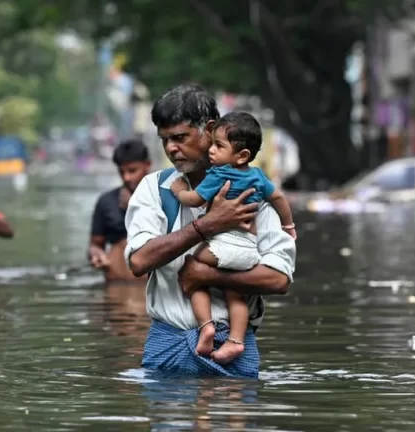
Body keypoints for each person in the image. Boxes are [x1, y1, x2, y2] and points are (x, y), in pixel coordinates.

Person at [124, 84, 296, 378]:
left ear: (210, 129)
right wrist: (207, 226)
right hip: (167, 348)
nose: (171, 149)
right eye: (164, 140)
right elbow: (139, 261)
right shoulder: (155, 188)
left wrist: (208, 275)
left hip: (234, 349)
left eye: (180, 137)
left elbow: (279, 278)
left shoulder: (254, 191)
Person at [169, 111, 297, 364]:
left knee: (192, 271)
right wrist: (289, 225)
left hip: (223, 245)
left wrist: (179, 190)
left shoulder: (218, 175)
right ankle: (236, 341)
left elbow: (195, 200)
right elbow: (280, 198)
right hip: (249, 250)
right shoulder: (259, 177)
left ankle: (206, 326)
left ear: (242, 155)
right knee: (235, 290)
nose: (212, 151)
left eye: (219, 146)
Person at [89, 139, 151, 281]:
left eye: (132, 171)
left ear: (147, 165)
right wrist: (96, 254)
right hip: (117, 283)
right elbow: (95, 244)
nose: (126, 177)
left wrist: (136, 207)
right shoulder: (106, 202)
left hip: (152, 286)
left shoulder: (165, 197)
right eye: (121, 172)